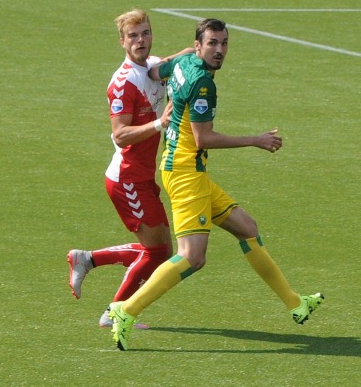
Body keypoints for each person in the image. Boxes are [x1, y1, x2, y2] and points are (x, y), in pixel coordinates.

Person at [107, 18, 324, 351]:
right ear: (199, 45)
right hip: (185, 175)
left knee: (247, 227)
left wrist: (180, 62)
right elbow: (203, 137)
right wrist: (255, 140)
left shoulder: (182, 63)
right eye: (212, 43)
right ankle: (126, 309)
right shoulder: (203, 84)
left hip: (184, 169)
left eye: (224, 43)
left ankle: (296, 303)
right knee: (192, 257)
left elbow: (154, 73)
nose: (219, 50)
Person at [67, 9, 192, 328]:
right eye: (133, 36)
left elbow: (159, 70)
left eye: (146, 33)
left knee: (161, 249)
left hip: (142, 176)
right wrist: (158, 123)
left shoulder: (151, 66)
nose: (141, 41)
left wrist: (191, 53)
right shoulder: (122, 84)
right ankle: (115, 313)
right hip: (127, 180)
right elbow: (120, 136)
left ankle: (89, 259)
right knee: (157, 252)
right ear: (122, 42)